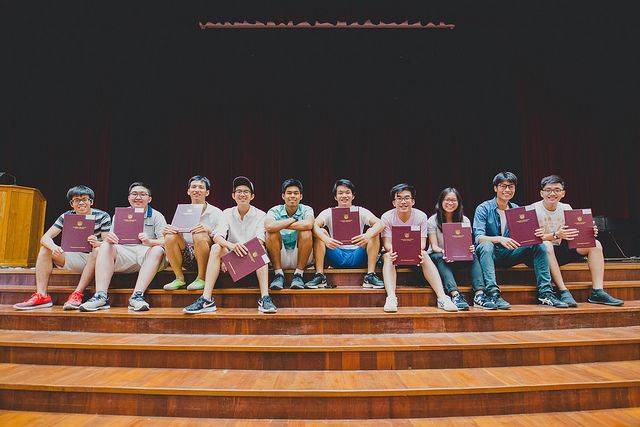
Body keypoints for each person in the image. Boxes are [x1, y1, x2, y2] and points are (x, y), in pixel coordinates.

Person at [473, 171, 568, 309]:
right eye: (503, 186)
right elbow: (478, 238)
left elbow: (525, 238)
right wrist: (500, 239)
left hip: (511, 253)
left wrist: (536, 235)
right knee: (486, 245)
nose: (507, 190)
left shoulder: (517, 209)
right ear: (495, 188)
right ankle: (493, 294)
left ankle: (545, 293)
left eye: (511, 186)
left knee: (540, 244)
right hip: (490, 255)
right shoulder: (483, 208)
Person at [183, 176, 277, 314]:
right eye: (239, 191)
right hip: (232, 258)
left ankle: (265, 298)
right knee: (216, 247)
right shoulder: (226, 213)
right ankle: (206, 299)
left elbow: (260, 240)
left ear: (252, 196)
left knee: (260, 248)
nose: (242, 194)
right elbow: (217, 236)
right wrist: (230, 249)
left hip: (253, 258)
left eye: (246, 191)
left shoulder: (261, 215)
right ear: (233, 195)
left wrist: (238, 250)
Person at [13, 185, 111, 310]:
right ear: (72, 204)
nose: (81, 203)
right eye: (76, 200)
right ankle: (42, 296)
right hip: (73, 258)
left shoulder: (102, 216)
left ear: (91, 202)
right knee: (45, 249)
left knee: (97, 250)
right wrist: (53, 246)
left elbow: (107, 243)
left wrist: (97, 243)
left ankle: (77, 294)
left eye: (84, 199)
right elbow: (45, 238)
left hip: (96, 261)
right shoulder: (66, 216)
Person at [533, 175, 623, 306]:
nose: (552, 193)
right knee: (546, 245)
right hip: (539, 255)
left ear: (563, 193)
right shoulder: (533, 209)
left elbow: (575, 233)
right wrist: (556, 235)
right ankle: (563, 291)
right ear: (541, 193)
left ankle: (598, 291)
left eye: (557, 190)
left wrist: (589, 232)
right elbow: (530, 240)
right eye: (548, 190)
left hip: (559, 251)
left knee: (595, 244)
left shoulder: (566, 207)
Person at [79, 182, 167, 312]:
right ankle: (101, 296)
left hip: (146, 253)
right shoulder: (119, 215)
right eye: (134, 194)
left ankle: (137, 296)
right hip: (124, 252)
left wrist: (149, 241)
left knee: (158, 250)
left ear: (149, 199)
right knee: (105, 246)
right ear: (129, 198)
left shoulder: (156, 216)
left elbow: (165, 241)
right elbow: (112, 240)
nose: (138, 197)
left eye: (143, 194)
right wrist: (106, 240)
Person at [380, 183, 458, 313]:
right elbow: (387, 243)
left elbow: (422, 243)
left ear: (413, 201)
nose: (403, 201)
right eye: (399, 198)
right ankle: (391, 298)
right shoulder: (386, 217)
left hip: (414, 252)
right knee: (388, 256)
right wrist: (394, 250)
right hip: (394, 253)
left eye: (407, 198)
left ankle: (442, 297)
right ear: (394, 202)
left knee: (424, 254)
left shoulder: (421, 216)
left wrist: (411, 251)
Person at [304, 179, 385, 289]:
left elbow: (380, 224)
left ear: (353, 196)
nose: (344, 196)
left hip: (358, 254)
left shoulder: (360, 211)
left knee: (373, 232)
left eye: (347, 192)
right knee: (321, 232)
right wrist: (326, 239)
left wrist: (367, 235)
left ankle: (370, 276)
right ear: (335, 197)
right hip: (336, 254)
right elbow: (313, 225)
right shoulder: (329, 212)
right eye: (340, 193)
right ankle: (320, 276)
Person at [428, 187, 495, 310]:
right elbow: (434, 246)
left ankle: (479, 295)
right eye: (447, 200)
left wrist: (470, 248)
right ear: (441, 201)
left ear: (458, 203)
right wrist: (445, 252)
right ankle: (455, 295)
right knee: (440, 257)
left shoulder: (465, 220)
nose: (450, 203)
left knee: (473, 255)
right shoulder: (433, 220)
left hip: (458, 256)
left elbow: (467, 243)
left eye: (454, 200)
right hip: (439, 256)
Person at [162, 175, 223, 291]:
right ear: (188, 191)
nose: (197, 190)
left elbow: (222, 238)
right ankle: (179, 278)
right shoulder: (183, 211)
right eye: (193, 187)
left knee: (199, 233)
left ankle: (201, 278)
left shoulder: (216, 212)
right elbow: (178, 236)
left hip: (209, 257)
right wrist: (169, 230)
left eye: (201, 187)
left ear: (207, 192)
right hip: (188, 255)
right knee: (169, 235)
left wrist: (208, 230)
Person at [264, 179, 314, 290]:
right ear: (283, 196)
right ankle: (278, 275)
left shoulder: (306, 209)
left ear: (301, 196)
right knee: (271, 233)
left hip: (300, 255)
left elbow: (309, 224)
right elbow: (269, 226)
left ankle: (298, 275)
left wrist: (281, 225)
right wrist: (292, 220)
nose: (292, 196)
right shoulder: (275, 210)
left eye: (296, 193)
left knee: (306, 232)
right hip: (280, 255)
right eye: (289, 193)